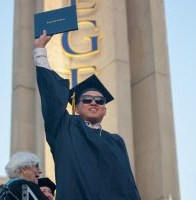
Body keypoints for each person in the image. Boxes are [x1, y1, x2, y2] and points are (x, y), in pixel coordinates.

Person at [34, 31, 141, 200]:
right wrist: (40, 50)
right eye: (87, 99)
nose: (93, 103)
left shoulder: (116, 141)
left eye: (99, 100)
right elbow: (51, 97)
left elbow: (127, 185)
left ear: (104, 109)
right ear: (76, 107)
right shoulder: (65, 129)